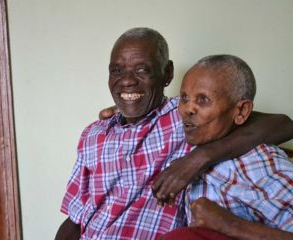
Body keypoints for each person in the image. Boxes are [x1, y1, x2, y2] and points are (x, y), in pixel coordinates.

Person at [55, 27, 293, 240]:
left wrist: (198, 159)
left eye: (141, 70)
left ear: (167, 73)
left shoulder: (187, 118)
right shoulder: (94, 134)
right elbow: (75, 219)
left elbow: (283, 125)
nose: (126, 81)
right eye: (116, 71)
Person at [162, 54, 293, 240]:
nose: (187, 109)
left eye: (203, 100)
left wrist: (229, 224)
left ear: (241, 111)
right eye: (184, 97)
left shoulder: (260, 163)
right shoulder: (189, 148)